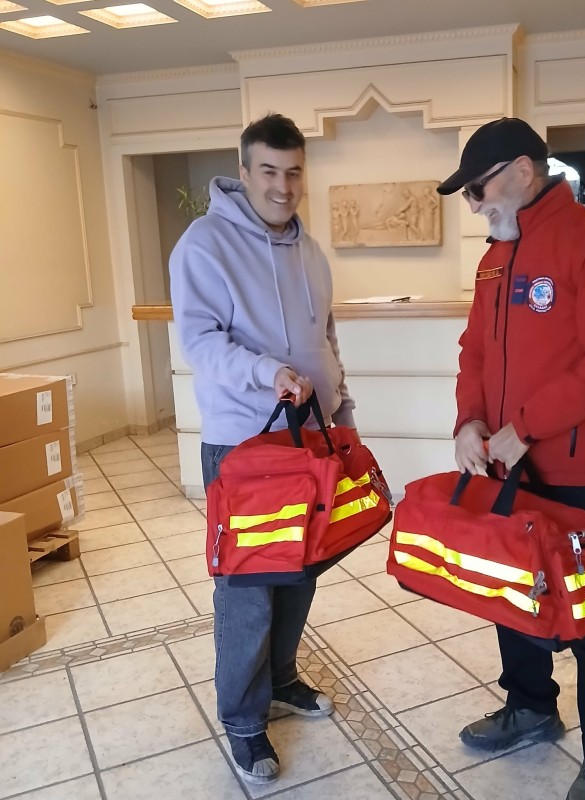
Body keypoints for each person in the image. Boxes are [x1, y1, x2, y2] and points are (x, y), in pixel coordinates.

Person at [436, 117, 585, 800]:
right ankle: (530, 706)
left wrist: (525, 427)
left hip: (579, 473)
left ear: (523, 171)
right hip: (506, 466)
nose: (474, 205)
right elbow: (475, 350)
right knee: (514, 590)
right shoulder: (495, 258)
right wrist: (469, 420)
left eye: (478, 189)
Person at [169, 112, 356, 785]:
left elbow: (325, 341)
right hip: (243, 445)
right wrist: (264, 370)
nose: (283, 186)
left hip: (307, 440)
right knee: (247, 587)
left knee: (300, 572)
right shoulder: (204, 244)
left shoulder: (310, 250)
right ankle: (244, 721)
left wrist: (343, 413)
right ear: (244, 173)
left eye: (294, 171)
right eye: (269, 171)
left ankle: (280, 680)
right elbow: (200, 342)